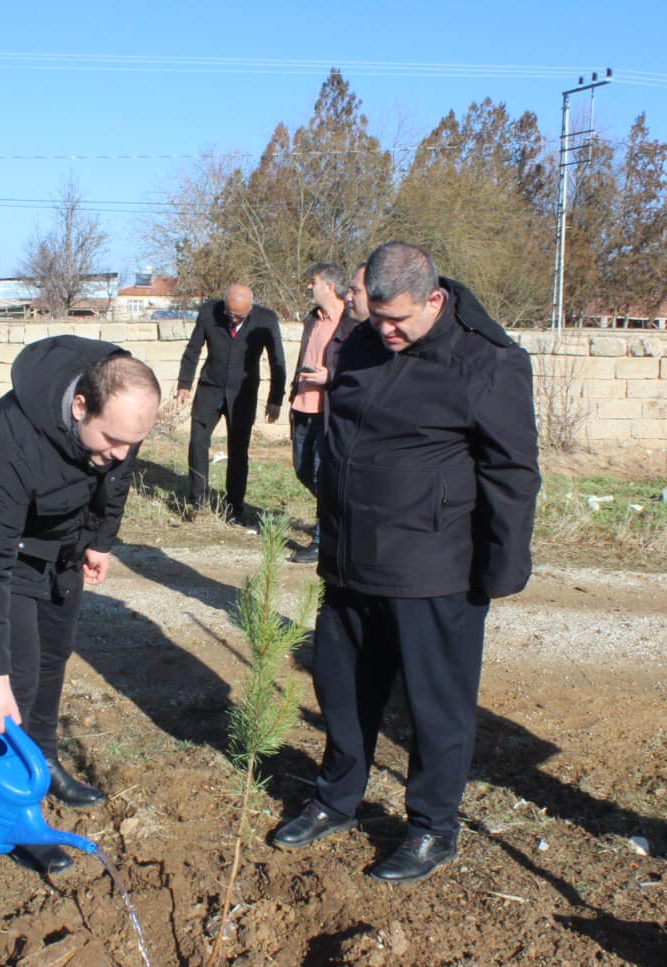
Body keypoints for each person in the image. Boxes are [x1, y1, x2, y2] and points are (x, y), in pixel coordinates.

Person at [271, 241, 541, 883]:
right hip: (351, 560)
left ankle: (431, 827)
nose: (386, 332)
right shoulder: (362, 340)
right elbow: (343, 441)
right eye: (377, 317)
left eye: (400, 321)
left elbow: (513, 473)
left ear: (435, 299)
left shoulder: (488, 362)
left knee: (435, 706)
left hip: (434, 567)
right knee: (341, 693)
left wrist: (502, 567)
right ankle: (337, 800)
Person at [0, 337, 160, 875]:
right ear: (79, 406)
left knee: (54, 654)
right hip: (11, 551)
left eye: (133, 441)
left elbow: (115, 478)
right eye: (114, 438)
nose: (122, 451)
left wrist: (101, 538)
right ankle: (16, 814)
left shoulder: (117, 423)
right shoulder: (10, 438)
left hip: (66, 545)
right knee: (16, 680)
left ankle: (42, 758)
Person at [174, 284, 286, 524]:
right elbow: (193, 350)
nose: (233, 319)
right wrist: (184, 384)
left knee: (239, 451)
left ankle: (235, 507)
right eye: (229, 314)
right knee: (197, 443)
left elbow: (277, 359)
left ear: (251, 308)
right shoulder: (208, 313)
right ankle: (196, 502)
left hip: (243, 394)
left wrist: (276, 398)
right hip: (210, 388)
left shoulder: (266, 320)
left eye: (239, 316)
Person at [288, 262, 357, 566]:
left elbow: (358, 369)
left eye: (313, 281)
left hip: (329, 411)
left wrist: (329, 376)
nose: (309, 287)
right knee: (303, 469)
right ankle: (343, 517)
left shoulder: (352, 323)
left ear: (329, 286)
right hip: (303, 407)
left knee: (322, 473)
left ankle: (323, 539)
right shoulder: (312, 320)